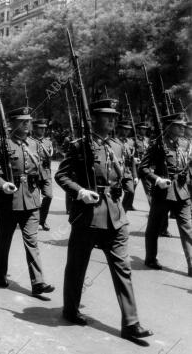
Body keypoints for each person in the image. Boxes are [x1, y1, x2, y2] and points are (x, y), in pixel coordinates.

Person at [55, 98, 152, 340]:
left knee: (123, 268)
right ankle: (70, 309)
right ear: (94, 118)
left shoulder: (118, 145)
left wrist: (129, 186)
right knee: (78, 266)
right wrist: (80, 191)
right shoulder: (80, 145)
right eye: (106, 116)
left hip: (116, 216)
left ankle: (131, 323)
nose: (112, 120)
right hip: (88, 214)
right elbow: (62, 175)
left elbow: (126, 172)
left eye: (114, 116)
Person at [0, 107, 55, 296]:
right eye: (23, 121)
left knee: (32, 241)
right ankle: (0, 274)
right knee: (4, 241)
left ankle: (38, 282)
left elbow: (41, 168)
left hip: (31, 200)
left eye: (29, 121)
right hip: (9, 200)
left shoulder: (35, 144)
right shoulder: (1, 144)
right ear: (13, 124)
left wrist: (45, 188)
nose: (27, 124)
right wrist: (1, 183)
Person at [140, 113, 192, 276]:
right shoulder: (158, 144)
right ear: (169, 127)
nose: (183, 128)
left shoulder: (185, 143)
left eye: (183, 126)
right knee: (154, 227)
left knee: (187, 228)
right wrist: (157, 180)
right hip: (163, 192)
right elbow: (143, 168)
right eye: (179, 126)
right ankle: (150, 258)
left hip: (182, 192)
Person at [31, 118, 53, 231]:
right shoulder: (28, 141)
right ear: (34, 128)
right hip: (33, 173)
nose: (43, 130)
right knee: (34, 200)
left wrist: (48, 173)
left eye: (44, 128)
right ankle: (33, 221)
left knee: (48, 196)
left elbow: (49, 159)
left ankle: (42, 220)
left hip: (45, 173)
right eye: (40, 128)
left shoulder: (48, 142)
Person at [116, 120, 138, 212]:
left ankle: (122, 212)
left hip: (127, 172)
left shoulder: (130, 142)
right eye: (125, 129)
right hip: (116, 171)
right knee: (115, 194)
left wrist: (135, 175)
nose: (127, 132)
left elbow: (132, 160)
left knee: (130, 192)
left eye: (128, 130)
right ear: (119, 129)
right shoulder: (113, 141)